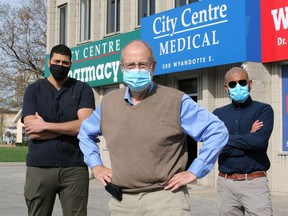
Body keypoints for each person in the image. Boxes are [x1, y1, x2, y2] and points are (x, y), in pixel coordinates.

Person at [78, 39, 228, 216]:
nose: (136, 69)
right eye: (130, 65)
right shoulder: (109, 103)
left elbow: (217, 131)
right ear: (122, 68)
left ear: (153, 66)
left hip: (165, 200)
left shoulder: (175, 101)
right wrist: (96, 166)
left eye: (142, 64)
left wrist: (195, 171)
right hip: (122, 203)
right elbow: (85, 133)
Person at [21, 44, 95, 216]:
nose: (60, 65)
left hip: (74, 168)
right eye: (57, 61)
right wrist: (71, 127)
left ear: (70, 65)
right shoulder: (33, 90)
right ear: (49, 63)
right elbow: (32, 130)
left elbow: (86, 127)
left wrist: (45, 125)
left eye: (65, 63)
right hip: (40, 167)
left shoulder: (82, 89)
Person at [213, 67, 274, 216]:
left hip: (254, 183)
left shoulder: (263, 110)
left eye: (242, 82)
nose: (238, 87)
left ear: (250, 84)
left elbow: (258, 141)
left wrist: (225, 140)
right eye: (233, 84)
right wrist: (248, 136)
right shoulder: (218, 114)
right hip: (226, 184)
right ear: (226, 88)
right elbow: (215, 146)